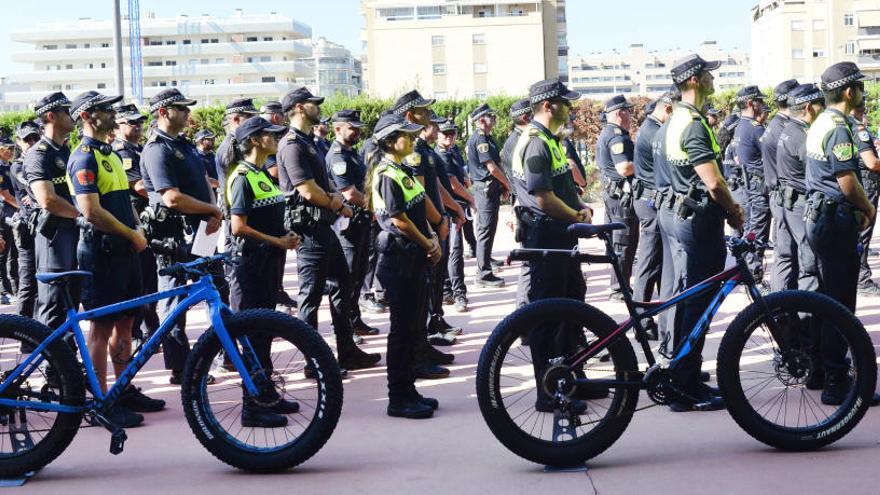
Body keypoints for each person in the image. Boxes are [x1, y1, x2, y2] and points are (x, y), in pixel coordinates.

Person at [67, 91, 164, 426]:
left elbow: (123, 203)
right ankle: (100, 401)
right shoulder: (84, 158)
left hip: (124, 251)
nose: (111, 113)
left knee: (126, 322)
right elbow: (91, 212)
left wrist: (138, 231)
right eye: (103, 109)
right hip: (102, 253)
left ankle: (122, 389)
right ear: (86, 116)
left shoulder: (109, 153)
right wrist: (131, 233)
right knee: (101, 327)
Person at [509, 78, 598, 412]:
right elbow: (543, 198)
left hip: (562, 236)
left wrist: (580, 208)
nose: (571, 109)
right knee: (549, 316)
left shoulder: (550, 140)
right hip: (547, 237)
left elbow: (562, 187)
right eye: (566, 103)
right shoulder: (535, 143)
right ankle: (549, 392)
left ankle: (571, 376)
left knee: (572, 308)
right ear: (548, 106)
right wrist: (577, 214)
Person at [277, 87, 380, 373]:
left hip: (323, 228)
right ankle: (314, 362)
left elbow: (322, 185)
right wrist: (338, 204)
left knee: (342, 284)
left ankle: (346, 350)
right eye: (313, 104)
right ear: (299, 107)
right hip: (309, 230)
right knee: (310, 296)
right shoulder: (292, 144)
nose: (318, 107)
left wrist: (333, 201)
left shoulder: (308, 141)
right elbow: (307, 191)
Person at [666, 54, 744, 412]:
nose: (714, 80)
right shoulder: (693, 123)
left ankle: (686, 375)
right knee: (699, 304)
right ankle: (684, 385)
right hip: (701, 221)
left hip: (689, 218)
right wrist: (734, 209)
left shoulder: (677, 118)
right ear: (694, 80)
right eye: (709, 75)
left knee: (693, 300)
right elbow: (713, 182)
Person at [804, 62, 877, 405]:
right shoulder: (838, 127)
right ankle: (837, 379)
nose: (862, 93)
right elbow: (847, 183)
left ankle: (820, 370)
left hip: (820, 218)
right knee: (840, 305)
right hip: (834, 221)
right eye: (860, 87)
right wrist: (868, 207)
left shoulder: (820, 122)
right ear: (850, 92)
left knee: (825, 298)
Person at [141, 88, 223, 385]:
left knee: (216, 290)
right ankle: (182, 367)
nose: (188, 113)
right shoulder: (156, 149)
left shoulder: (183, 144)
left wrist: (211, 212)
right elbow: (172, 198)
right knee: (174, 302)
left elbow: (201, 181)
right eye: (181, 108)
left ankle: (228, 353)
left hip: (202, 231)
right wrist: (212, 208)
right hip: (174, 234)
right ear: (163, 112)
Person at [226, 117, 302, 427]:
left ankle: (266, 393)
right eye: (270, 135)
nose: (275, 138)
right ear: (256, 140)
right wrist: (278, 240)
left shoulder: (260, 175)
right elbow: (239, 226)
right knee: (253, 338)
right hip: (250, 267)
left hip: (268, 264)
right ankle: (252, 405)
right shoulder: (242, 176)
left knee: (265, 334)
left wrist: (286, 236)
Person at [367, 112, 441, 419]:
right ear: (389, 142)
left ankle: (409, 389)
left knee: (412, 328)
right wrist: (429, 244)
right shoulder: (386, 174)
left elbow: (419, 213)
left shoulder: (400, 170)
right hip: (399, 258)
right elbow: (399, 220)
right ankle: (398, 396)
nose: (411, 139)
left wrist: (432, 236)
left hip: (412, 256)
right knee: (401, 331)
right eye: (405, 136)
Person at [26, 92, 77, 332]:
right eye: (66, 111)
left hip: (73, 232)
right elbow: (47, 200)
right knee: (54, 301)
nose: (71, 115)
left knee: (72, 301)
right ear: (51, 116)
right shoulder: (39, 153)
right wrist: (83, 214)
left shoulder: (66, 151)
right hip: (54, 235)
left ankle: (67, 363)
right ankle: (51, 365)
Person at [325, 110, 379, 337]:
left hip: (361, 222)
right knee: (345, 279)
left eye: (358, 127)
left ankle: (354, 319)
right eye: (351, 127)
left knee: (357, 275)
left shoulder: (351, 153)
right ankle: (343, 326)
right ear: (338, 128)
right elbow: (349, 193)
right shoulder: (337, 156)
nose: (356, 131)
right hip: (348, 224)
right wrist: (375, 206)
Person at [112, 102, 161, 345]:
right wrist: (167, 198)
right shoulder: (121, 152)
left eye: (140, 121)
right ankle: (145, 330)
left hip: (148, 221)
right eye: (132, 122)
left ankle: (149, 328)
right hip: (135, 220)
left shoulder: (138, 149)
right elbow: (140, 187)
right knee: (140, 281)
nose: (138, 126)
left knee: (149, 280)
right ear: (118, 125)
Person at [632, 94, 675, 340]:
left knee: (657, 261)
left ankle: (656, 315)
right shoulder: (653, 131)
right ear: (667, 108)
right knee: (649, 261)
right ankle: (641, 320)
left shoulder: (651, 128)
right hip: (649, 201)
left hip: (650, 199)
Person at [777, 83, 823, 302]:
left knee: (798, 259)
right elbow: (816, 171)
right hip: (800, 202)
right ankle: (809, 324)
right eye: (819, 104)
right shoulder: (801, 135)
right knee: (810, 264)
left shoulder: (788, 129)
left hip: (790, 201)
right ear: (808, 107)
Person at [595, 94, 639, 301]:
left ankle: (618, 285)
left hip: (613, 196)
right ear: (620, 113)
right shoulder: (617, 136)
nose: (630, 115)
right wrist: (646, 166)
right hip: (621, 197)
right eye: (628, 111)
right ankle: (619, 288)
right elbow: (624, 167)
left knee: (617, 243)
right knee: (624, 243)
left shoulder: (607, 133)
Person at [258, 100, 297, 310]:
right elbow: (273, 172)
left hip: (273, 217)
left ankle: (277, 296)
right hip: (257, 233)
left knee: (276, 267)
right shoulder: (264, 139)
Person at [466, 103, 510, 288]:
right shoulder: (480, 140)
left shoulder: (485, 138)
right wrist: (506, 183)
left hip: (489, 189)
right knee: (485, 229)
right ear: (482, 120)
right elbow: (491, 167)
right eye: (491, 116)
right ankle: (483, 273)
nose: (494, 119)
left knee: (488, 228)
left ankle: (486, 262)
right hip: (485, 189)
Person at [436, 118, 476, 312]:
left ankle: (451, 291)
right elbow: (452, 184)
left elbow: (460, 173)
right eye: (446, 134)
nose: (450, 137)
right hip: (450, 208)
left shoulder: (451, 151)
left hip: (457, 206)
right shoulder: (440, 155)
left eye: (453, 133)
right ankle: (458, 293)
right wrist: (471, 199)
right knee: (455, 252)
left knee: (452, 252)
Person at [764, 79, 799, 292]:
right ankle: (781, 308)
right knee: (786, 255)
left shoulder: (777, 125)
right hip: (783, 197)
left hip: (779, 195)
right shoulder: (783, 128)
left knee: (787, 254)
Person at [732, 85, 770, 287]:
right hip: (758, 186)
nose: (762, 105)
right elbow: (771, 153)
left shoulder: (741, 125)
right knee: (758, 230)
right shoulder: (755, 128)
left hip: (750, 184)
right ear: (750, 103)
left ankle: (749, 270)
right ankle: (753, 274)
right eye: (760, 101)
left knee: (752, 228)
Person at [501, 99, 534, 308]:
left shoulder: (516, 139)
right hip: (525, 207)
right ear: (525, 117)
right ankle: (523, 316)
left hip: (523, 205)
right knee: (529, 265)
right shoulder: (519, 142)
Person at [10, 122, 40, 318]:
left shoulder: (39, 162)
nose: (31, 143)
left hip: (42, 227)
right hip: (27, 228)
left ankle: (38, 330)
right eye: (26, 139)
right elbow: (37, 190)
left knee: (42, 283)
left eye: (34, 138)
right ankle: (23, 333)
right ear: (19, 142)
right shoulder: (18, 166)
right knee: (28, 282)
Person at [851, 98, 880, 296]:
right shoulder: (857, 127)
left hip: (863, 182)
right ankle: (862, 279)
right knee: (863, 232)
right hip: (866, 183)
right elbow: (871, 162)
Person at [215, 98, 259, 192]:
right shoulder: (229, 147)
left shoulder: (243, 141)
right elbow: (236, 185)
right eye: (250, 116)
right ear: (236, 119)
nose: (255, 121)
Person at [0, 136, 18, 305]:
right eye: (8, 149)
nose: (12, 152)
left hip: (13, 211)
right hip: (4, 212)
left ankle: (11, 287)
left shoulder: (10, 167)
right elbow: (5, 195)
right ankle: (3, 291)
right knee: (2, 253)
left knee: (13, 253)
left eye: (13, 148)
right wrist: (21, 206)